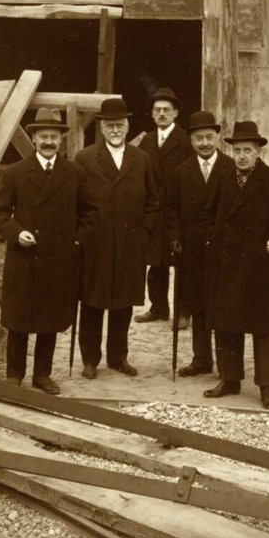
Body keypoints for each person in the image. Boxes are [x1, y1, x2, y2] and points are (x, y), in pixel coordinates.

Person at [0, 109, 97, 394]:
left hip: (58, 260)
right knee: (19, 320)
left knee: (49, 320)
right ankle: (14, 374)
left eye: (54, 136)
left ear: (61, 140)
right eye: (43, 136)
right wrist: (15, 233)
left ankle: (42, 375)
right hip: (24, 257)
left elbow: (89, 213)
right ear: (34, 139)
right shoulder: (14, 173)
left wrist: (74, 241)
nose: (49, 141)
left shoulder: (75, 173)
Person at [200, 120, 269, 411]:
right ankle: (230, 379)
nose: (242, 155)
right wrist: (214, 240)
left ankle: (265, 386)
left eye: (248, 150)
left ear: (258, 152)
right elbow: (205, 217)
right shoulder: (222, 178)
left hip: (258, 264)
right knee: (226, 324)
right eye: (237, 150)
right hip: (226, 263)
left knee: (259, 327)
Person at [75, 97, 159, 378]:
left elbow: (152, 201)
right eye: (110, 125)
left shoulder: (141, 159)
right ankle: (89, 359)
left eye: (120, 125)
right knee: (92, 302)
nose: (115, 130)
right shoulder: (85, 158)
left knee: (122, 304)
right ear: (101, 128)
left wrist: (143, 233)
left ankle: (117, 357)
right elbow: (76, 202)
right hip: (95, 244)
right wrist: (82, 237)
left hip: (129, 244)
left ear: (127, 126)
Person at [164, 111, 228, 378]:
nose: (204, 143)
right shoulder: (181, 172)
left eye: (209, 137)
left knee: (223, 307)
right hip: (192, 250)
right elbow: (171, 210)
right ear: (191, 140)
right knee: (198, 305)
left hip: (223, 250)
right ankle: (201, 359)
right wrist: (175, 237)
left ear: (218, 138)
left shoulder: (231, 167)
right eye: (199, 138)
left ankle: (227, 366)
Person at [134, 86, 190, 324]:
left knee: (181, 263)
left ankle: (183, 311)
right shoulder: (146, 140)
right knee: (156, 263)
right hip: (154, 211)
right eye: (157, 110)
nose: (162, 114)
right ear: (152, 114)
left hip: (176, 211)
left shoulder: (185, 141)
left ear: (176, 113)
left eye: (167, 110)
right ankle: (158, 308)